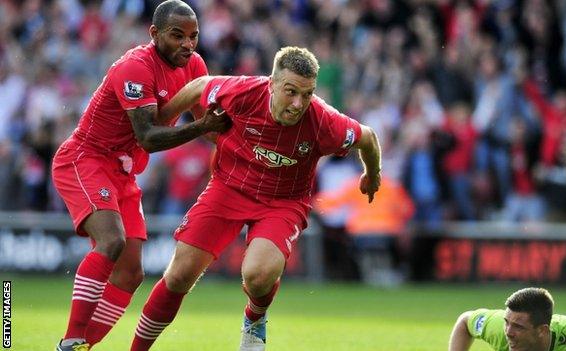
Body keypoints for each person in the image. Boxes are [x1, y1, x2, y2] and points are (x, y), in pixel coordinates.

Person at [129, 46, 382, 351]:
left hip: (283, 202)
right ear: (272, 83)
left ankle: (255, 318)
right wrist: (163, 119)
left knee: (258, 275)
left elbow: (368, 138)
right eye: (290, 92)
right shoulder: (242, 92)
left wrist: (373, 174)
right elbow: (199, 86)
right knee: (179, 275)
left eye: (308, 94)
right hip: (228, 188)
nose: (299, 103)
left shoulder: (325, 121)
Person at [51, 1, 230, 350]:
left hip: (123, 173)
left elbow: (209, 127)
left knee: (131, 274)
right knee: (112, 241)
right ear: (154, 34)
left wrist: (246, 139)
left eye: (193, 36)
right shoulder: (135, 67)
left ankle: (82, 347)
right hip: (86, 159)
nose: (187, 44)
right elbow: (147, 136)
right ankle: (71, 341)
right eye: (177, 36)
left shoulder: (194, 65)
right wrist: (203, 127)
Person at [448, 287, 566, 351]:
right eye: (507, 322)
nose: (509, 332)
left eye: (518, 326)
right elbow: (465, 321)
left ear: (542, 330)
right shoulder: (497, 330)